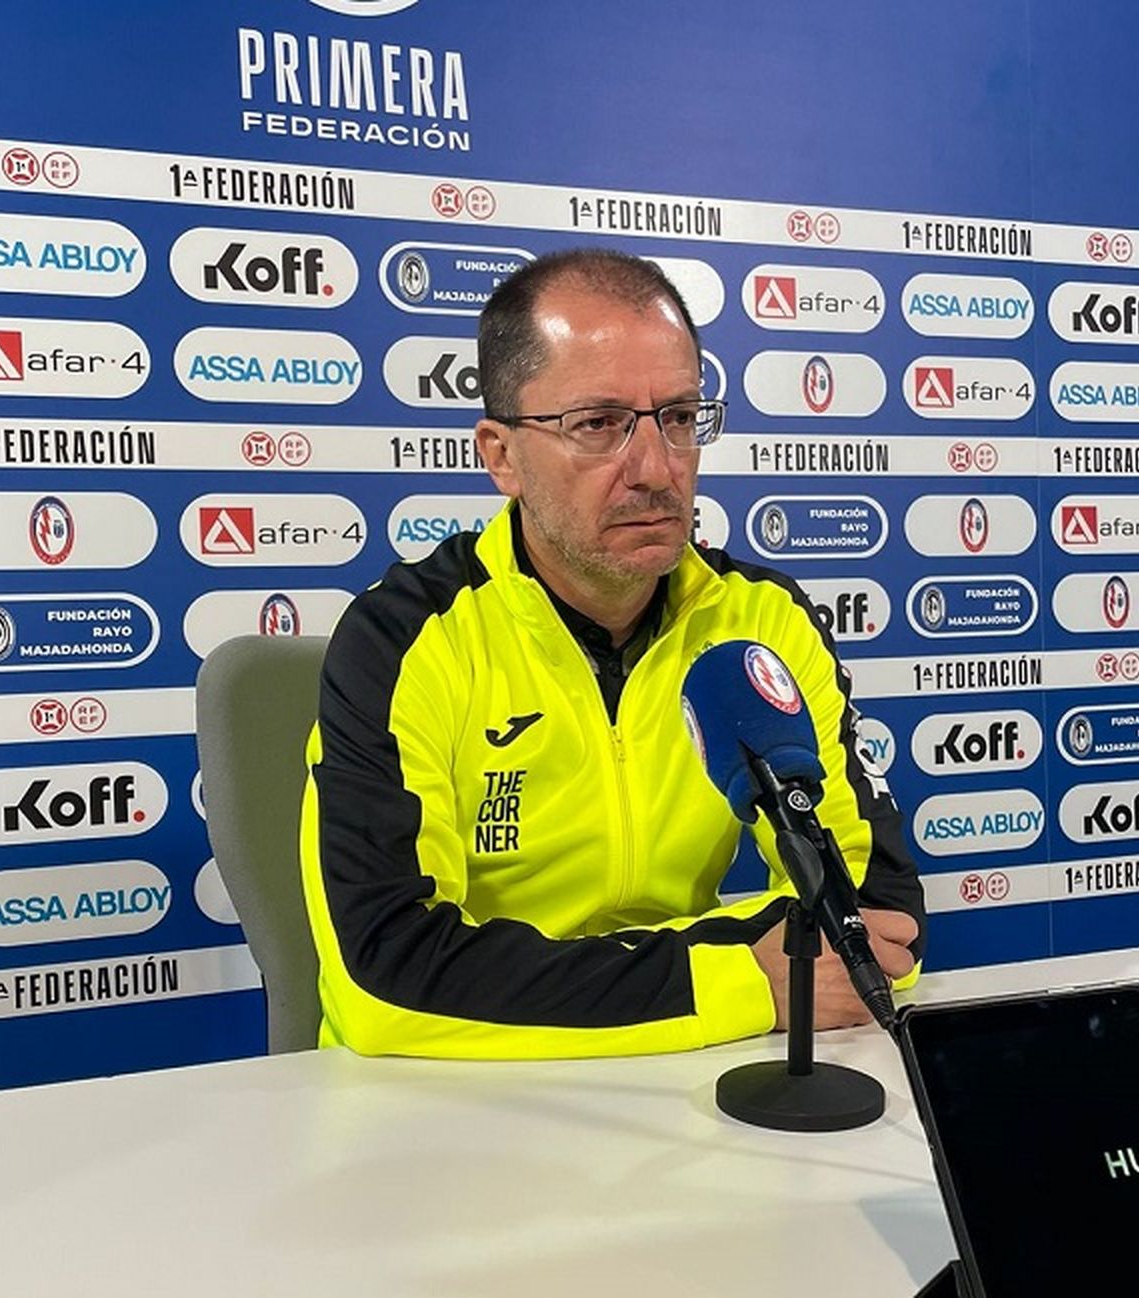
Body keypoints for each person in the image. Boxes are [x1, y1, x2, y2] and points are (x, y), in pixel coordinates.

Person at [300, 248, 925, 1058]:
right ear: (501, 455)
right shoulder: (404, 640)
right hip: (450, 1100)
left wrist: (635, 979)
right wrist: (742, 978)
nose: (658, 469)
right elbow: (383, 978)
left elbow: (876, 919)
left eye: (678, 416)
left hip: (693, 1078)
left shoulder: (763, 621)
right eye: (597, 425)